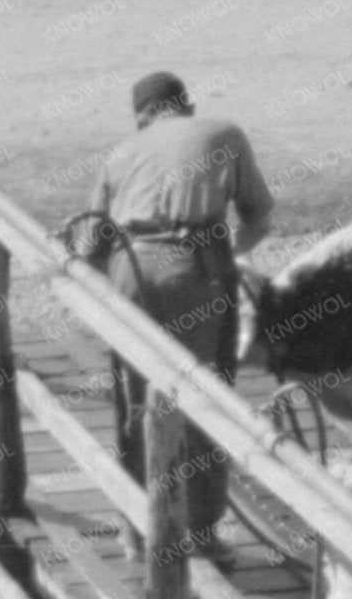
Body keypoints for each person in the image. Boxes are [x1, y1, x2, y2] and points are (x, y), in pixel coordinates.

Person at [83, 71, 273, 557]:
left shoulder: (120, 153)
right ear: (185, 105)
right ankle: (201, 531)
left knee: (136, 398)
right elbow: (258, 217)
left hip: (131, 270)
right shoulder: (223, 133)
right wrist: (233, 255)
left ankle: (137, 525)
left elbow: (90, 246)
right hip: (193, 270)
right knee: (202, 395)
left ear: (143, 115)